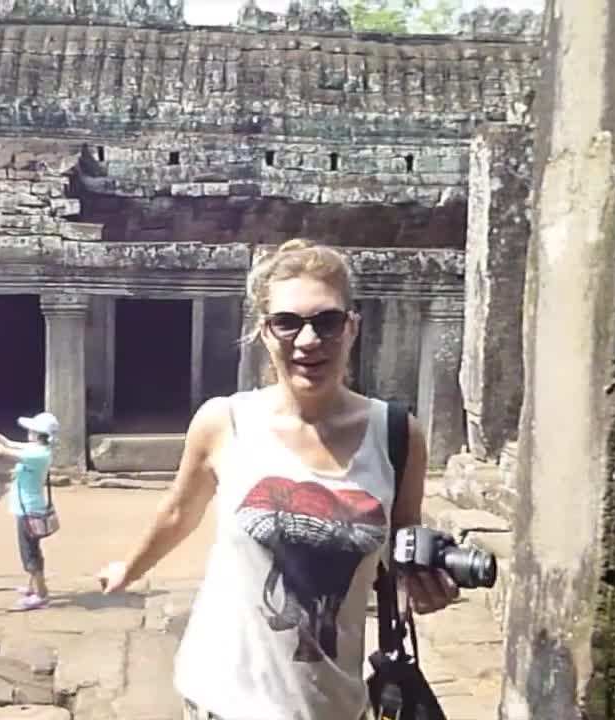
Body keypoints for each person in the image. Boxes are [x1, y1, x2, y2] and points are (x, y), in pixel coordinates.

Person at [96, 238, 460, 720]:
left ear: (352, 327)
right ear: (264, 332)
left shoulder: (396, 434)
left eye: (327, 321)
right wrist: (130, 568)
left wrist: (426, 585)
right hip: (223, 699)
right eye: (287, 322)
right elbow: (179, 512)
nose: (308, 341)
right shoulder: (224, 422)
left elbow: (401, 546)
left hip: (333, 703)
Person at [0, 407, 59, 611]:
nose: (29, 432)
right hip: (30, 509)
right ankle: (34, 588)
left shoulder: (36, 454)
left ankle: (41, 595)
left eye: (33, 429)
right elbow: (6, 442)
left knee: (30, 554)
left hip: (29, 511)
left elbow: (2, 451)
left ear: (39, 434)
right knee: (32, 551)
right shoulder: (38, 449)